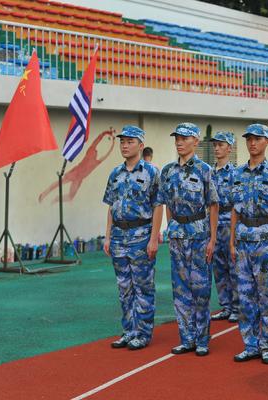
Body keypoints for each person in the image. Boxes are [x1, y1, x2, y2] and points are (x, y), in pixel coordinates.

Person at [230, 123, 268, 365]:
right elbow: (234, 209)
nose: (252, 143)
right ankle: (250, 344)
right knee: (245, 296)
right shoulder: (237, 173)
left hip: (266, 239)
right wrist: (232, 242)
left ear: (267, 142)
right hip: (243, 238)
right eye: (249, 139)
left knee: (266, 296)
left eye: (257, 139)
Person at [158, 122, 219, 357]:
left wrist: (212, 239)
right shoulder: (168, 171)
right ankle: (187, 338)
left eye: (184, 138)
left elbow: (213, 205)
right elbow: (166, 203)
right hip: (177, 234)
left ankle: (202, 339)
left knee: (201, 289)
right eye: (177, 138)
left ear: (196, 141)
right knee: (180, 289)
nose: (179, 142)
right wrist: (170, 226)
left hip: (199, 233)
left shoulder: (204, 170)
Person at [103, 125, 163, 351]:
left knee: (143, 286)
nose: (125, 145)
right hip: (119, 236)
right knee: (124, 287)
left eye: (129, 142)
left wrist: (154, 238)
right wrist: (107, 236)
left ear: (140, 144)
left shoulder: (151, 172)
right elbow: (110, 206)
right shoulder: (115, 173)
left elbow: (158, 205)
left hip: (141, 236)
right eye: (122, 142)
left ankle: (143, 332)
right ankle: (129, 330)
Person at [210, 131, 239, 323]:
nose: (217, 148)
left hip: (230, 221)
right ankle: (226, 305)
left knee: (234, 266)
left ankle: (237, 306)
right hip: (213, 222)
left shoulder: (235, 173)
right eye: (215, 145)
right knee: (218, 267)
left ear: (230, 148)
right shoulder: (208, 172)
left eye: (221, 145)